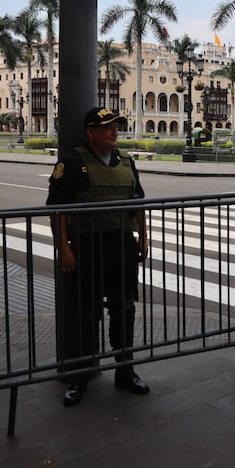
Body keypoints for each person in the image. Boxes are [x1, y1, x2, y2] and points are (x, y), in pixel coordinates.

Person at [47, 107, 150, 407]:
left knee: (124, 309)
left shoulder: (127, 162)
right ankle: (80, 377)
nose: (114, 131)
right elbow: (57, 210)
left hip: (122, 247)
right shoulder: (72, 163)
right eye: (107, 127)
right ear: (90, 132)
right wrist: (64, 250)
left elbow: (138, 202)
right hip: (88, 247)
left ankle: (125, 371)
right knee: (88, 314)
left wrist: (143, 238)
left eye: (116, 126)